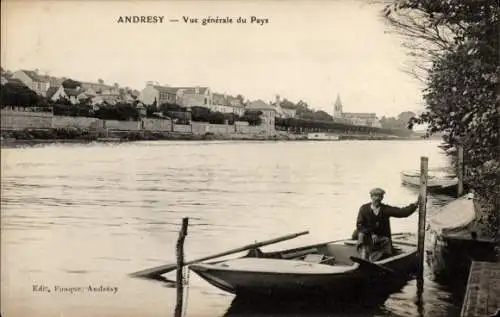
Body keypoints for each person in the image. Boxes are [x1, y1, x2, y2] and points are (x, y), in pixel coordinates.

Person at [354, 187, 421, 261]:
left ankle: (375, 259)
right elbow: (359, 225)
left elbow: (402, 212)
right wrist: (371, 233)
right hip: (367, 237)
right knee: (361, 235)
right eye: (375, 196)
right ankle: (364, 258)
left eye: (379, 197)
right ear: (371, 197)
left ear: (382, 198)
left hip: (381, 238)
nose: (377, 199)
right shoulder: (364, 209)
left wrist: (415, 204)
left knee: (385, 244)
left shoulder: (385, 209)